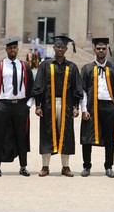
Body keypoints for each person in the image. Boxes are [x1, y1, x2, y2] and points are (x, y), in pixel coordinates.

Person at [32, 35, 83, 177]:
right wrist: (38, 105)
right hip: (49, 104)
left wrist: (76, 107)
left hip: (67, 105)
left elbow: (76, 89)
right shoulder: (45, 65)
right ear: (53, 48)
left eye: (62, 47)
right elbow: (39, 85)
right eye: (57, 47)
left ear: (66, 49)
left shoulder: (71, 67)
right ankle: (45, 166)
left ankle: (65, 167)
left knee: (66, 134)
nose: (60, 49)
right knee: (47, 132)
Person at [0, 36, 34, 177]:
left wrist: (28, 104)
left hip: (20, 105)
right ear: (6, 49)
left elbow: (32, 87)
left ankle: (23, 166)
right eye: (10, 48)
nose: (12, 50)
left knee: (21, 136)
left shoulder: (24, 66)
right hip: (3, 105)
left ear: (17, 49)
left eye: (14, 47)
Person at [80, 38, 114, 178]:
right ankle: (86, 166)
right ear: (94, 50)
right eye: (98, 48)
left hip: (109, 106)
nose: (101, 51)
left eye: (103, 48)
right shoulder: (87, 68)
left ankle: (109, 166)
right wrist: (84, 109)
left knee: (109, 138)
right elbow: (83, 90)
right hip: (92, 106)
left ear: (107, 49)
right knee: (87, 137)